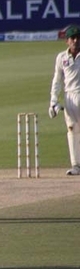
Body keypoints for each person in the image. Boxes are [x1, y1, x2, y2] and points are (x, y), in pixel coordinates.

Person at [49, 24, 80, 176]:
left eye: (78, 38)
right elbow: (57, 80)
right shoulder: (61, 57)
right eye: (72, 38)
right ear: (66, 41)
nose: (76, 41)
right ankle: (76, 165)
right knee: (72, 131)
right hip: (69, 98)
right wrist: (53, 101)